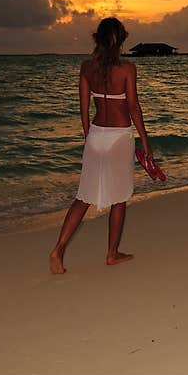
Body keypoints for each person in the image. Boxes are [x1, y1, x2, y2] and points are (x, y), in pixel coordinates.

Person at [49, 17, 154, 274]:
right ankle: (112, 253)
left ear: (98, 38)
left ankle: (59, 248)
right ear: (120, 40)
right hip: (119, 136)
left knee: (83, 196)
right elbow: (134, 108)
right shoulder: (127, 69)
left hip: (96, 134)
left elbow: (83, 108)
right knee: (119, 197)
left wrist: (89, 137)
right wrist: (146, 142)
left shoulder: (86, 68)